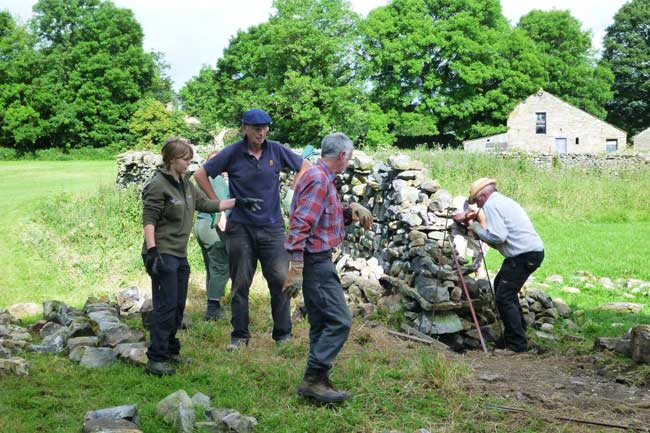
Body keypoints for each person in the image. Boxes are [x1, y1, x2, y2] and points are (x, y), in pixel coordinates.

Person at [141, 137, 262, 376]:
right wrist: (153, 251)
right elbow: (149, 221)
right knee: (165, 306)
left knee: (177, 305)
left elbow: (206, 204)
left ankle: (171, 350)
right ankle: (156, 358)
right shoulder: (158, 185)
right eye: (185, 160)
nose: (189, 164)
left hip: (179, 254)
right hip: (162, 253)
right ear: (172, 160)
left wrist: (238, 203)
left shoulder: (185, 184)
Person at [194, 109, 310, 351]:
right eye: (256, 128)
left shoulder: (275, 149)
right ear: (244, 128)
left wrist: (293, 190)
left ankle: (283, 335)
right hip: (241, 228)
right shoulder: (233, 153)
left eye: (265, 127)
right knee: (240, 283)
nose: (261, 132)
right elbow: (200, 174)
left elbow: (306, 166)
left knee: (279, 280)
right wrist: (220, 205)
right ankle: (239, 336)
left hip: (273, 228)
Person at [283, 132, 373, 403]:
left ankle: (317, 380)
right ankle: (313, 378)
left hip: (317, 259)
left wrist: (349, 211)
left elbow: (321, 217)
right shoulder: (320, 180)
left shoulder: (319, 177)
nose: (350, 161)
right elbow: (299, 224)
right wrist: (296, 267)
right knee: (339, 320)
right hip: (316, 262)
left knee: (321, 322)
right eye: (350, 156)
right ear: (342, 156)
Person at [466, 178, 544, 353]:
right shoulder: (503, 201)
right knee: (501, 286)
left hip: (523, 255)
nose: (478, 205)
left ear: (483, 195)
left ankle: (517, 344)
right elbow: (501, 238)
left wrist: (477, 228)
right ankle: (516, 334)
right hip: (527, 253)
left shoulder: (491, 205)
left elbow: (499, 237)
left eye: (477, 200)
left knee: (504, 296)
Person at [194, 151, 230, 321]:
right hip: (212, 226)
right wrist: (225, 226)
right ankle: (213, 308)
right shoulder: (218, 180)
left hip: (200, 225)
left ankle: (213, 301)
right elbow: (220, 207)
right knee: (221, 266)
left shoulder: (205, 180)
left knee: (211, 266)